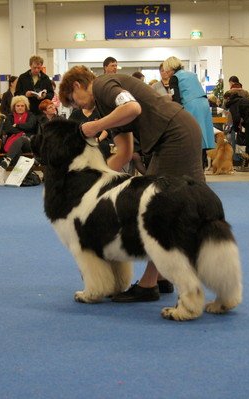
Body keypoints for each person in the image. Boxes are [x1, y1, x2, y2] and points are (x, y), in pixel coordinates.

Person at [59, 65, 204, 302]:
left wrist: (96, 126)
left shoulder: (104, 85)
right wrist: (93, 183)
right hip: (173, 136)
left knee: (159, 210)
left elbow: (132, 107)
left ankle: (148, 286)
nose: (78, 107)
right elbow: (124, 154)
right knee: (162, 211)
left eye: (73, 101)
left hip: (175, 135)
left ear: (77, 85)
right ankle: (160, 277)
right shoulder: (107, 109)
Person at [163, 56, 215, 166]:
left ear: (170, 68)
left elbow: (176, 98)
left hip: (191, 105)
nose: (165, 72)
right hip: (204, 104)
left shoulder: (174, 78)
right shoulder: (192, 74)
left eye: (165, 69)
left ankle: (194, 165)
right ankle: (202, 163)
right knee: (202, 135)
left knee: (191, 135)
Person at [223, 89, 249, 171]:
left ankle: (246, 165)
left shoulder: (233, 103)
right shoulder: (243, 100)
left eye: (225, 99)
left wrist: (235, 128)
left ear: (228, 98)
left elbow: (236, 118)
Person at [2, 95, 37, 167]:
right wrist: (22, 131)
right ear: (14, 107)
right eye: (18, 106)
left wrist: (17, 125)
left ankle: (8, 159)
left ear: (25, 107)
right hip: (15, 144)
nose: (20, 107)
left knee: (21, 139)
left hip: (28, 142)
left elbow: (30, 126)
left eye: (22, 106)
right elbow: (8, 129)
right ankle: (23, 176)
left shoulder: (31, 115)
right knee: (17, 150)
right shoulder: (10, 116)